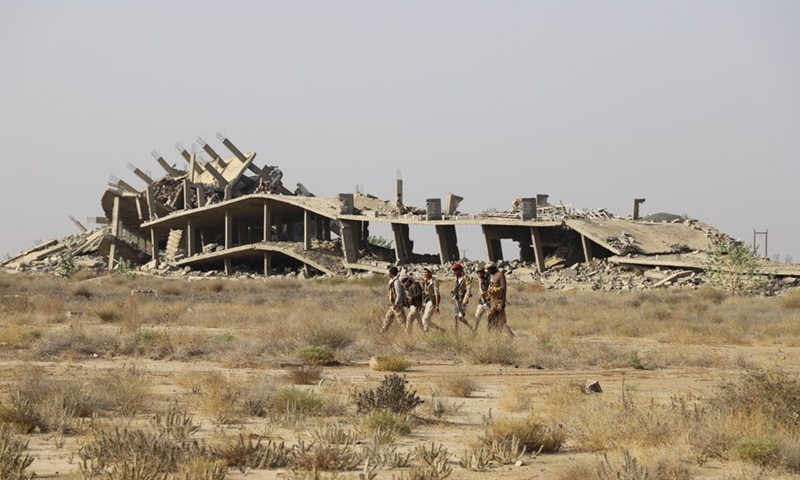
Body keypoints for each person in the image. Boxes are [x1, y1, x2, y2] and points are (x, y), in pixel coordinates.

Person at [486, 262, 514, 336]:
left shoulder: (500, 275)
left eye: (489, 269)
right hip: (492, 301)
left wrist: (503, 302)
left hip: (499, 301)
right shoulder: (491, 275)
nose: (489, 271)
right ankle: (492, 335)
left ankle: (510, 335)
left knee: (501, 320)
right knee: (491, 318)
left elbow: (504, 289)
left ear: (494, 268)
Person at [381, 266, 406, 332]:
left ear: (391, 273)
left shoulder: (396, 282)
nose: (388, 274)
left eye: (389, 272)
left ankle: (408, 335)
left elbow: (399, 294)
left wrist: (396, 303)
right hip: (393, 305)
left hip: (397, 306)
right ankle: (383, 332)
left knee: (402, 322)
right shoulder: (392, 281)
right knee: (387, 319)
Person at [420, 267, 445, 333]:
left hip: (432, 301)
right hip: (426, 301)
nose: (425, 274)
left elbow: (436, 294)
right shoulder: (425, 281)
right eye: (424, 272)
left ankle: (426, 333)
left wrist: (437, 306)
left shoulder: (434, 281)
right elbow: (424, 292)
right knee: (427, 320)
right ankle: (441, 330)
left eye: (426, 272)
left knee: (424, 319)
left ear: (430, 273)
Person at [450, 263, 473, 331]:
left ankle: (471, 328)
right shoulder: (456, 278)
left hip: (462, 299)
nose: (455, 272)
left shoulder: (465, 278)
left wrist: (465, 301)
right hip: (456, 299)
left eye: (456, 270)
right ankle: (456, 330)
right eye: (454, 270)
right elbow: (455, 287)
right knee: (455, 316)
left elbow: (468, 290)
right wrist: (453, 295)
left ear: (460, 270)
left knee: (460, 317)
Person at [472, 264, 491, 331]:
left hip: (488, 302)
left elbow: (490, 289)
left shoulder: (487, 280)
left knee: (489, 318)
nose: (479, 274)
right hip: (481, 302)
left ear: (483, 273)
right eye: (478, 273)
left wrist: (485, 293)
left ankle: (490, 332)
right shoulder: (479, 280)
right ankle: (474, 331)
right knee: (476, 317)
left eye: (480, 272)